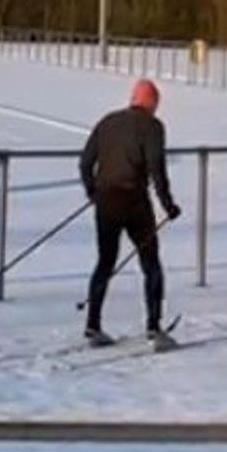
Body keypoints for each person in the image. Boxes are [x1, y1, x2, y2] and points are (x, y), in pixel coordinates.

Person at [78, 78, 182, 348]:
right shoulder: (153, 127)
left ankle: (93, 324)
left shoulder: (108, 122)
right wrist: (168, 205)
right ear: (152, 103)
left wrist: (93, 193)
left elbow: (85, 162)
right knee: (150, 263)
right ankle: (153, 327)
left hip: (106, 201)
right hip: (135, 202)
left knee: (105, 262)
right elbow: (157, 170)